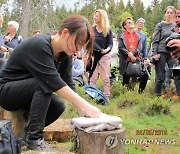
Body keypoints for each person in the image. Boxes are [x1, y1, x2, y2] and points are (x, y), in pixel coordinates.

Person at [0, 15, 101, 151]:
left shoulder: (65, 55)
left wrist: (83, 109)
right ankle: (35, 139)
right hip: (6, 91)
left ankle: (26, 134)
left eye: (82, 46)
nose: (78, 48)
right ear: (65, 32)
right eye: (78, 42)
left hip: (27, 93)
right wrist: (85, 106)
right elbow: (52, 81)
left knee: (58, 105)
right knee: (44, 84)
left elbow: (68, 82)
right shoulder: (39, 45)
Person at [151, 6, 180, 98]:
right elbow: (155, 40)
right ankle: (157, 96)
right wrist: (154, 54)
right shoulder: (160, 25)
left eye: (172, 13)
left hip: (173, 54)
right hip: (161, 52)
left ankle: (176, 94)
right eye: (168, 12)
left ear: (174, 15)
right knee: (160, 77)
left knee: (176, 74)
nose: (169, 14)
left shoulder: (176, 26)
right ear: (165, 14)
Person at [118, 17, 148, 93]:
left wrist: (133, 54)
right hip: (126, 60)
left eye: (131, 22)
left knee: (144, 75)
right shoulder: (122, 35)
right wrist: (129, 54)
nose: (131, 23)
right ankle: (126, 95)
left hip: (136, 59)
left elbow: (140, 47)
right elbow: (121, 47)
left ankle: (140, 93)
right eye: (129, 22)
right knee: (126, 79)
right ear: (125, 26)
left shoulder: (137, 35)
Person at [89, 9, 113, 99]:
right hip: (94, 55)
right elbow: (88, 42)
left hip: (104, 55)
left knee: (105, 77)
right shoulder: (91, 29)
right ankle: (92, 95)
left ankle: (106, 96)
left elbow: (110, 44)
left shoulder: (108, 29)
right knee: (93, 76)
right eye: (94, 15)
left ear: (102, 17)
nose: (95, 17)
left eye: (97, 16)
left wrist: (106, 50)